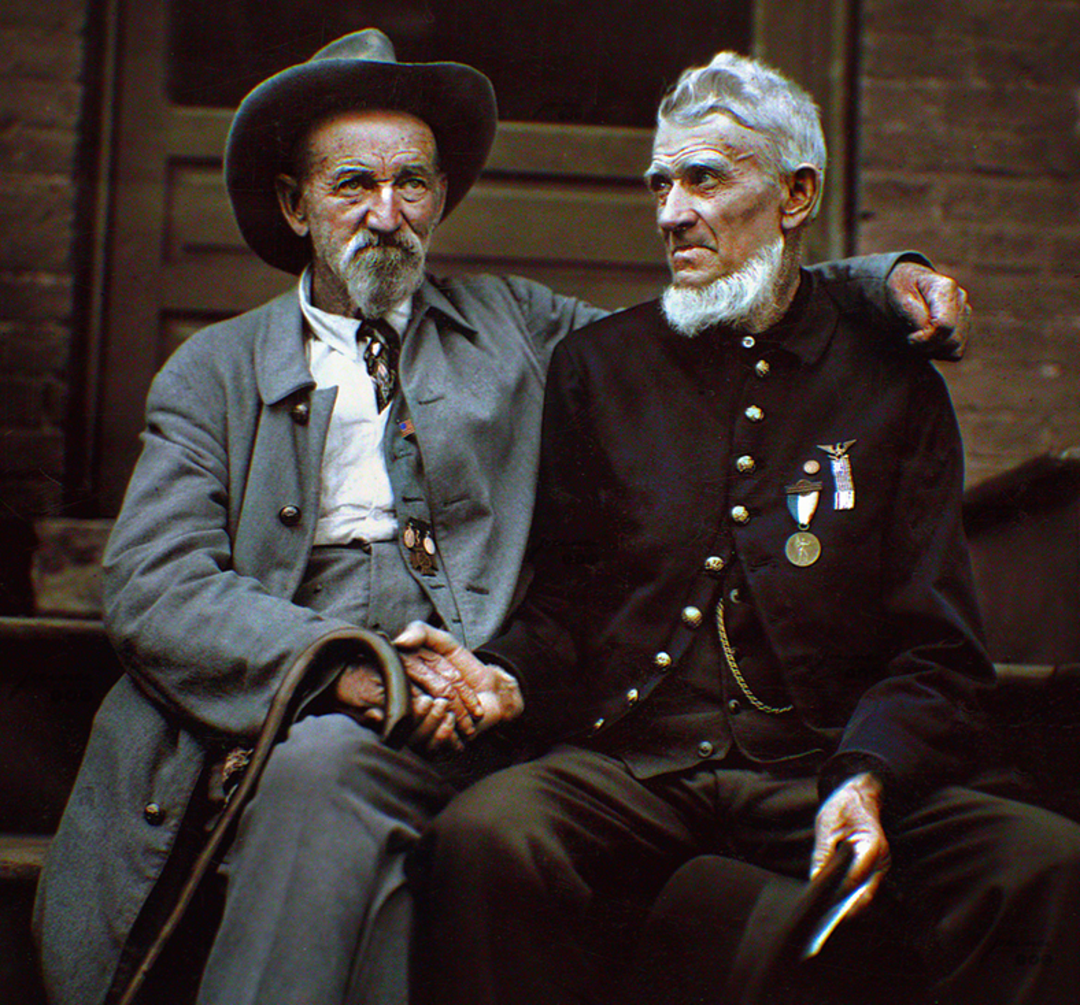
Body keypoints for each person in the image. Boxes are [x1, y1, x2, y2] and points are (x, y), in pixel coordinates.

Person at [33, 30, 971, 1005]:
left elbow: (718, 309)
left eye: (413, 184)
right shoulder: (213, 373)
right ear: (294, 203)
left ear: (441, 196)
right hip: (292, 696)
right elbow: (154, 583)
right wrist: (342, 666)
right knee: (325, 782)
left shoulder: (522, 328)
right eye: (353, 185)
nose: (387, 215)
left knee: (414, 824)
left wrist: (876, 284)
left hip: (480, 698)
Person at [408, 51, 1080, 1005]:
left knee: (1044, 861)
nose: (671, 212)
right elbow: (564, 607)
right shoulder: (598, 366)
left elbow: (939, 654)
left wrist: (865, 777)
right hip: (633, 766)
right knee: (487, 832)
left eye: (705, 179)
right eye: (660, 184)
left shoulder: (892, 385)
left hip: (821, 765)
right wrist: (504, 675)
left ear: (796, 195)